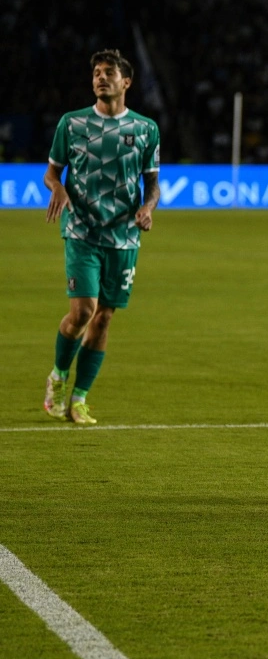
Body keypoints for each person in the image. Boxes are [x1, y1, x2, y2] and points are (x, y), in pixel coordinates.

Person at [42, 49, 161, 425]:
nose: (100, 77)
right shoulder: (72, 124)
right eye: (96, 72)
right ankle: (59, 377)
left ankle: (79, 399)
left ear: (126, 82)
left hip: (124, 236)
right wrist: (57, 188)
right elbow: (51, 173)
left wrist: (148, 209)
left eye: (109, 72)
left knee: (104, 318)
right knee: (83, 311)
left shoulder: (145, 129)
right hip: (81, 230)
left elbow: (153, 184)